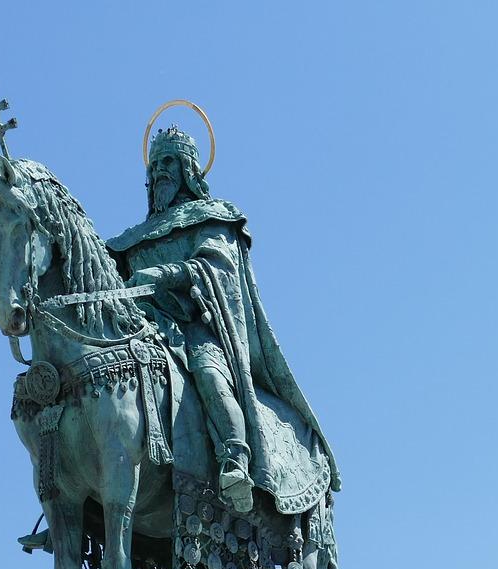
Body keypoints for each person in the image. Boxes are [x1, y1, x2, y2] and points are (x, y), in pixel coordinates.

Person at [109, 125, 337, 516]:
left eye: (168, 162)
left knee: (210, 374)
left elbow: (215, 266)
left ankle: (235, 461)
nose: (159, 171)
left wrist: (166, 276)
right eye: (154, 164)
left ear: (188, 168)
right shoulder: (130, 239)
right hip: (138, 326)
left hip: (195, 327)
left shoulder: (212, 217)